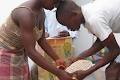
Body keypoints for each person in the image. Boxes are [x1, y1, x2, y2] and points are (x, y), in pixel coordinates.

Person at [0, 0, 74, 80]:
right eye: (55, 2)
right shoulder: (25, 14)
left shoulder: (41, 12)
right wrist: (58, 73)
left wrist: (57, 59)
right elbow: (31, 52)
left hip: (20, 54)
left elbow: (42, 40)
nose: (55, 6)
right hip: (4, 56)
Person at [56, 0, 120, 80]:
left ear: (74, 14)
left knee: (112, 72)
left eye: (67, 24)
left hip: (116, 49)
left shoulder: (93, 20)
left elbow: (115, 50)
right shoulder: (87, 13)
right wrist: (79, 57)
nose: (68, 28)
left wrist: (86, 72)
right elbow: (101, 42)